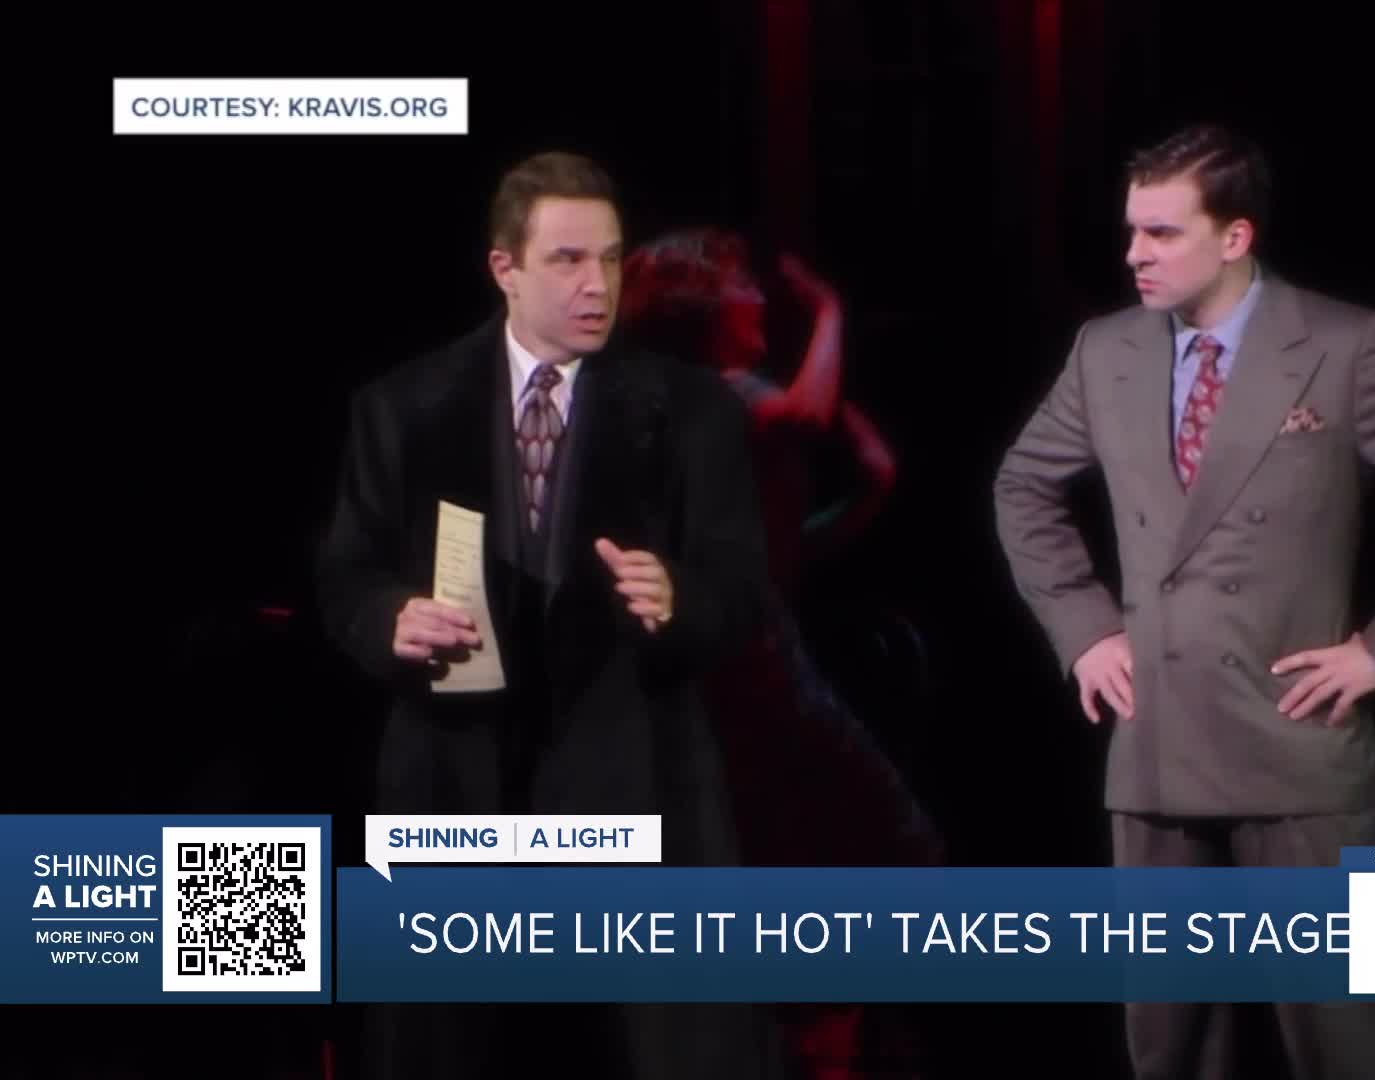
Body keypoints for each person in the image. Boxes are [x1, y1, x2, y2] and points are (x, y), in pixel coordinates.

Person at [991, 123, 1375, 1080]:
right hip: (1156, 739)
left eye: (1162, 233)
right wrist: (1085, 629)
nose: (1134, 254)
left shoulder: (1343, 345)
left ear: (1235, 237)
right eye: (1131, 230)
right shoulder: (1106, 350)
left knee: (1339, 1039)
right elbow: (1022, 486)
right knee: (1169, 1044)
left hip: (1294, 738)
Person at [314, 151, 785, 1079]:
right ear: (506, 269)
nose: (596, 285)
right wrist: (388, 618)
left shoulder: (691, 413)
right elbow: (345, 574)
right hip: (458, 789)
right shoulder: (404, 406)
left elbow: (742, 590)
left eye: (608, 259)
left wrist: (681, 599)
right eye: (568, 260)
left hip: (633, 788)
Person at [620, 227, 944, 1078]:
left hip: (755, 652)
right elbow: (803, 417)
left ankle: (814, 1031)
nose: (759, 297)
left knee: (805, 854)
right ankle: (812, 1031)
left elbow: (794, 531)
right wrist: (830, 315)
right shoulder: (699, 398)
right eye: (742, 285)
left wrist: (860, 471)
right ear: (701, 307)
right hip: (731, 668)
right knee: (867, 843)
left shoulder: (730, 397)